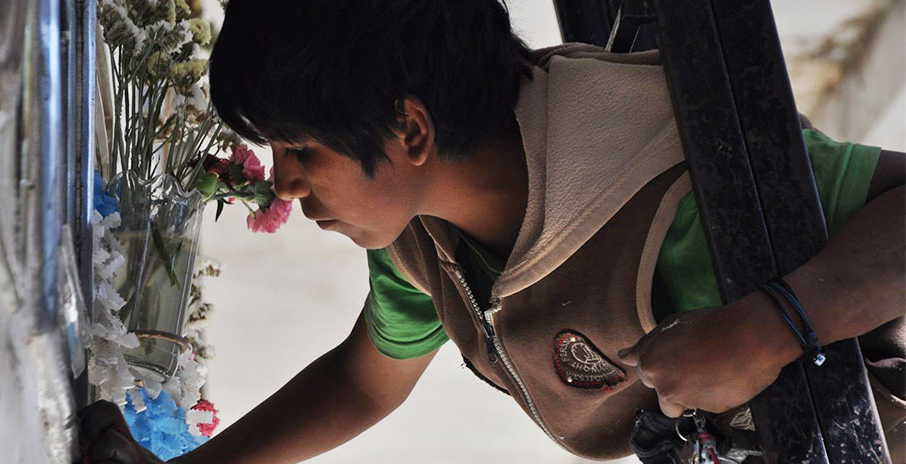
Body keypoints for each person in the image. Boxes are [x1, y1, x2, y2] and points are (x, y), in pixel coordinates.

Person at [77, 1, 905, 462]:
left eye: (301, 148)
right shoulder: (425, 232)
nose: (285, 183)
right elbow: (367, 382)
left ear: (409, 132)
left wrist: (779, 321)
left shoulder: (679, 173)